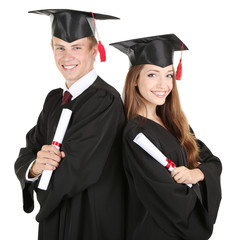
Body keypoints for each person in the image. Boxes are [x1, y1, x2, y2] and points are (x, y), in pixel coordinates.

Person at [14, 9, 126, 240]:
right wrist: (35, 167)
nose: (67, 57)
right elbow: (30, 150)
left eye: (77, 47)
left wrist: (45, 179)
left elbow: (76, 169)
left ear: (94, 51)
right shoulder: (54, 99)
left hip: (90, 220)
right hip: (56, 219)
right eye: (60, 48)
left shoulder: (104, 100)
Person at [110, 34, 222, 240]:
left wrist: (195, 175)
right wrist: (198, 173)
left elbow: (213, 163)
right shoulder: (136, 134)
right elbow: (171, 201)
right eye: (152, 75)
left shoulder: (176, 123)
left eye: (169, 75)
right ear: (135, 79)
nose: (163, 84)